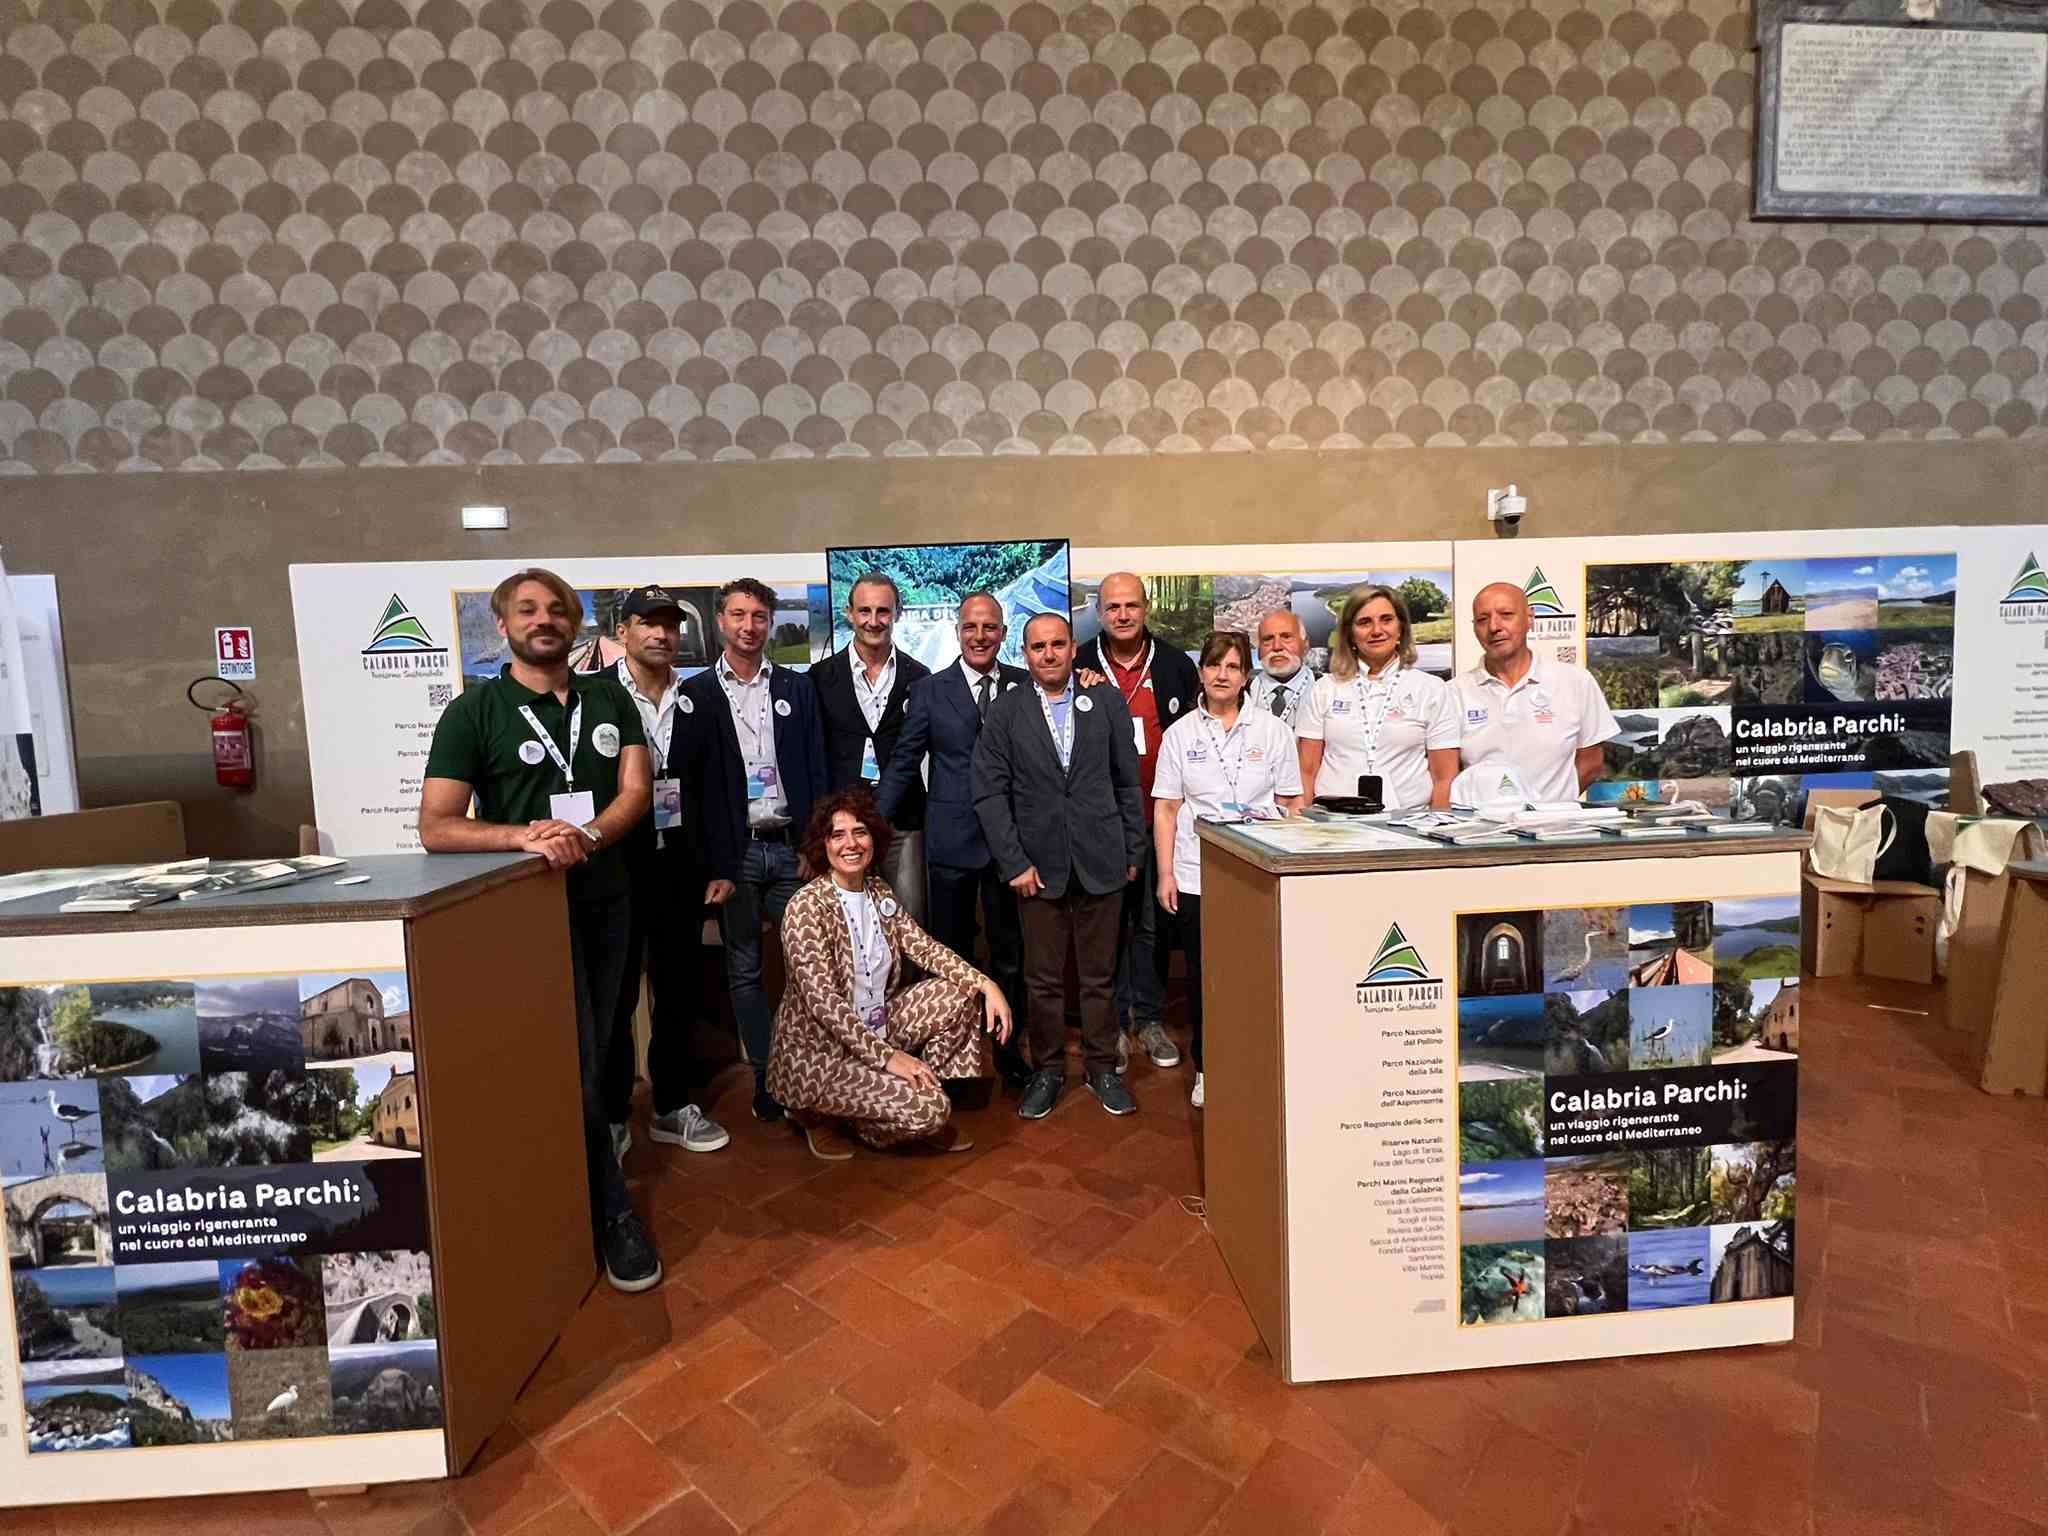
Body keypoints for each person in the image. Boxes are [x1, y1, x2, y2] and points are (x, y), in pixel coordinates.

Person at [418, 567, 662, 1293]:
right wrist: (523, 836)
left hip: (609, 899)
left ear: (575, 623)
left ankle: (583, 1164)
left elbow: (636, 790)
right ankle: (611, 1213)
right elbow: (437, 826)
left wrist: (587, 835)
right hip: (525, 910)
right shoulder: (474, 712)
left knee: (607, 1041)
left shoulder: (610, 698)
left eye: (557, 609)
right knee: (574, 1058)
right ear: (503, 625)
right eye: (526, 610)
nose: (543, 619)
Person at [768, 788, 1014, 1158]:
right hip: (822, 1053)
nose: (851, 844)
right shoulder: (806, 907)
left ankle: (912, 1092)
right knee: (931, 1111)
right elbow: (824, 1004)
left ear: (874, 838)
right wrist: (890, 1059)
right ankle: (818, 1115)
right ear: (823, 845)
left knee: (961, 994)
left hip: (876, 1027)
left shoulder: (878, 891)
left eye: (860, 832)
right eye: (838, 835)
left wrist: (985, 983)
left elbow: (924, 948)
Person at [974, 612, 1146, 1119]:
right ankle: (1048, 1070)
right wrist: (1014, 862)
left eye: (1057, 644)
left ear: (1074, 648)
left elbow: (1127, 782)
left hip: (1102, 860)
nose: (1048, 654)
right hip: (1037, 867)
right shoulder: (1006, 712)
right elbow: (989, 792)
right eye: (1037, 647)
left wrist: (1132, 851)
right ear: (1024, 654)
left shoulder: (1105, 701)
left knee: (1099, 978)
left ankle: (1102, 1069)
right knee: (1042, 980)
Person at [679, 576, 828, 1124]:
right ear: (720, 621)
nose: (749, 626)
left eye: (759, 616)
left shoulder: (796, 688)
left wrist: (814, 843)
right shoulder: (696, 694)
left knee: (809, 967)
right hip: (736, 854)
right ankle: (768, 1077)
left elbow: (816, 767)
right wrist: (714, 862)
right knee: (744, 969)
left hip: (790, 849)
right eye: (739, 615)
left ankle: (808, 1069)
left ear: (770, 622)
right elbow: (692, 788)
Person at [878, 592, 1032, 1088]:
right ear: (958, 631)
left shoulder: (1024, 684)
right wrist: (873, 823)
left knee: (1010, 951)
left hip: (1010, 844)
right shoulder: (929, 691)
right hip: (951, 842)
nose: (979, 636)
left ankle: (1010, 1053)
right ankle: (953, 1058)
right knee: (952, 953)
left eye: (989, 627)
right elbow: (905, 761)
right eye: (970, 627)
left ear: (1003, 633)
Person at [601, 584, 730, 1160]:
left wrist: (721, 864)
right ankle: (612, 1114)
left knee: (678, 990)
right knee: (617, 995)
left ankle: (672, 1105)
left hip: (682, 867)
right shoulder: (597, 696)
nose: (661, 634)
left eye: (670, 625)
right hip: (616, 869)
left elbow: (720, 784)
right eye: (648, 623)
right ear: (622, 631)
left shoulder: (698, 697)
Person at [1154, 632, 1303, 1108]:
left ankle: (1258, 1064)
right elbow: (1167, 809)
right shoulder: (1180, 734)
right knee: (1205, 979)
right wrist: (1165, 874)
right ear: (1201, 672)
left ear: (1246, 676)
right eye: (1214, 665)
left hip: (1259, 874)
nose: (1222, 675)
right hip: (1197, 874)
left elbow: (1290, 804)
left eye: (1233, 667)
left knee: (1258, 976)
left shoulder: (1273, 731)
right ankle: (1208, 1068)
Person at [1074, 572, 1198, 1074]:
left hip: (1158, 819)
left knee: (1150, 926)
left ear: (1146, 608)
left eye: (1131, 605)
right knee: (1107, 927)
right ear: (1099, 612)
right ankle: (1112, 1025)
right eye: (1112, 607)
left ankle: (1147, 1018)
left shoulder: (1175, 664)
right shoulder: (1080, 663)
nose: (1122, 615)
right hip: (1099, 823)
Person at [812, 571, 932, 924]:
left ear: (897, 614)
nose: (874, 621)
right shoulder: (819, 678)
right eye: (865, 610)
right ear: (849, 613)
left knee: (908, 921)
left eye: (883, 611)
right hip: (842, 825)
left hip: (904, 822)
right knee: (850, 924)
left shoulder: (920, 676)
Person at [1297, 584, 1460, 811]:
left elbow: (1445, 778)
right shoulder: (1324, 688)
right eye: (1364, 622)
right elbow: (1307, 771)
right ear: (1350, 633)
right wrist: (1303, 826)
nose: (1376, 630)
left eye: (1386, 620)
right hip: (1335, 822)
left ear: (1401, 628)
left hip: (1408, 821)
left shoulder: (1431, 689)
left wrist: (1436, 825)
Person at [1457, 582, 1619, 801]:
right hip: (1482, 822)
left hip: (1556, 821)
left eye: (1506, 615)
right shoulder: (1454, 692)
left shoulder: (1576, 682)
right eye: (1482, 619)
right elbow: (1446, 773)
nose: (1494, 626)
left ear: (1529, 618)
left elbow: (1591, 761)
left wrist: (1551, 806)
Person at [1246, 609, 1316, 729]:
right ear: (1258, 650)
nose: (1277, 646)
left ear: (1305, 645)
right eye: (1268, 639)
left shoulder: (1324, 689)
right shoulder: (1243, 692)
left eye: (1286, 637)